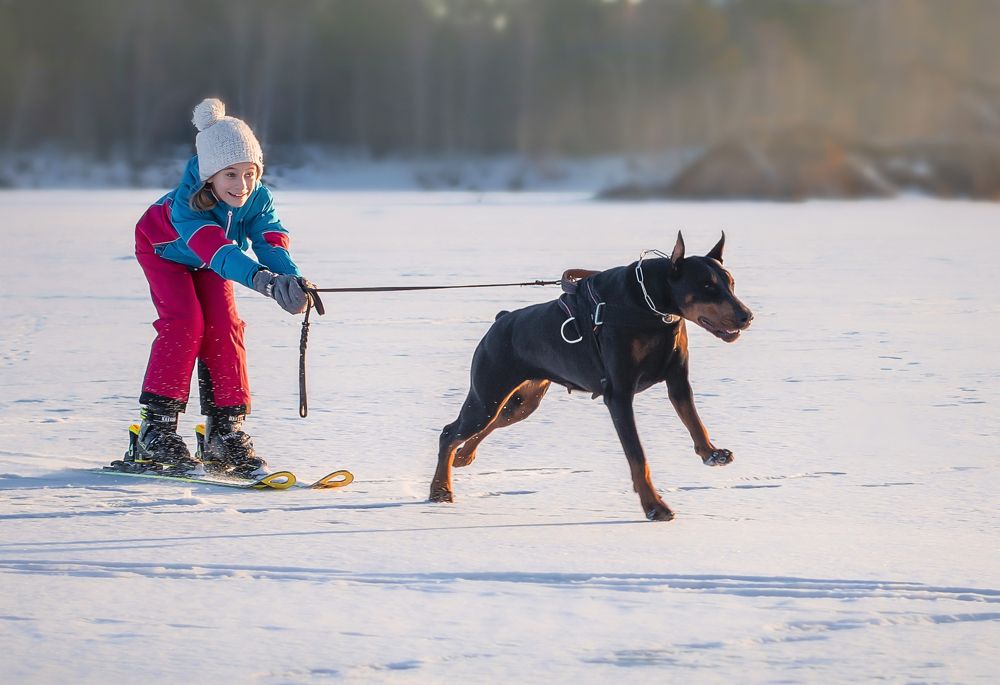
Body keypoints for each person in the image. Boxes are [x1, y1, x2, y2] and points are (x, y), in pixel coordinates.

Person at [131, 98, 311, 477]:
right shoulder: (187, 204)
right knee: (185, 323)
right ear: (209, 175)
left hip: (214, 259)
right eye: (230, 174)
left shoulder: (257, 195)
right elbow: (219, 251)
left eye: (250, 173)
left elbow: (270, 238)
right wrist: (263, 281)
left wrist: (290, 278)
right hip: (165, 252)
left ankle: (224, 433)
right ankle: (157, 430)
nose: (242, 184)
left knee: (225, 329)